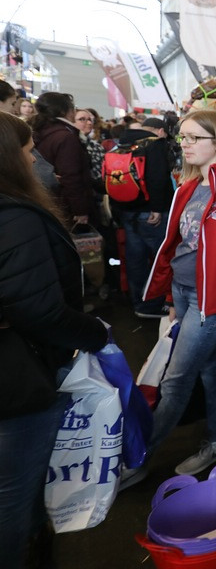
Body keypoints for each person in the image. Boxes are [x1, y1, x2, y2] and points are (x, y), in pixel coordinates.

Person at [124, 110, 216, 486]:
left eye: (193, 138)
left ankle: (137, 458)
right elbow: (179, 246)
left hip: (215, 299)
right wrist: (171, 296)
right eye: (183, 138)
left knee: (175, 378)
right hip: (185, 292)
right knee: (211, 368)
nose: (184, 145)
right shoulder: (188, 187)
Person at [0, 112, 109, 565]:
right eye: (29, 152)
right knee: (13, 498)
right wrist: (95, 333)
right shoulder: (14, 217)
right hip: (17, 379)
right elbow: (36, 306)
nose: (36, 160)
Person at [110, 116, 175, 318]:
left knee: (135, 259)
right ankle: (154, 304)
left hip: (126, 209)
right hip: (150, 212)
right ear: (159, 131)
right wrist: (157, 207)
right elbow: (158, 177)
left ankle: (138, 302)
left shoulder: (121, 144)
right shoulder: (154, 145)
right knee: (159, 260)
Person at [29, 92, 96, 228]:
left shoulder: (39, 131)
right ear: (66, 111)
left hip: (46, 199)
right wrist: (80, 209)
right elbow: (71, 176)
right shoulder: (65, 136)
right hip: (65, 205)